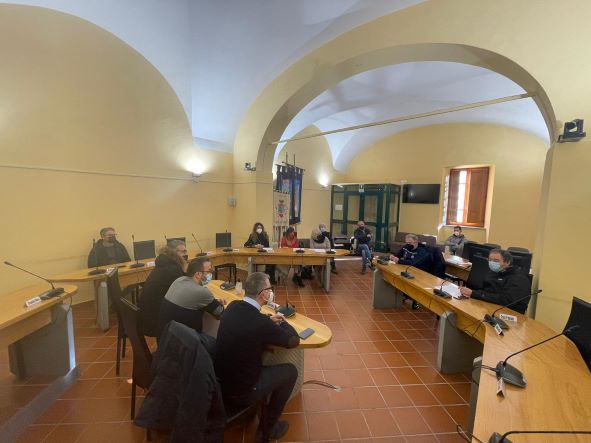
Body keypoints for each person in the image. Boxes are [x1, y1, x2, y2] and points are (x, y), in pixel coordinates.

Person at [215, 272, 299, 441]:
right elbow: (293, 340)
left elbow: (249, 320)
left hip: (220, 382)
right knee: (291, 371)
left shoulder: (233, 306)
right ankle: (269, 427)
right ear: (263, 294)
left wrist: (268, 320)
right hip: (242, 391)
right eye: (270, 289)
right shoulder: (261, 323)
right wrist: (283, 321)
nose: (271, 292)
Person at [157, 257, 226, 337]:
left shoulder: (178, 280)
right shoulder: (202, 292)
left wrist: (213, 302)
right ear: (198, 274)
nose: (211, 274)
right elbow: (219, 312)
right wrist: (219, 304)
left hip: (164, 336)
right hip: (184, 342)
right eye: (209, 271)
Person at [459, 249, 531, 314]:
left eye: (496, 261)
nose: (492, 263)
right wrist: (472, 293)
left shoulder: (519, 278)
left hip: (509, 312)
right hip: (490, 305)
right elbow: (486, 290)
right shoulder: (494, 272)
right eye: (490, 260)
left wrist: (474, 294)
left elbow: (505, 300)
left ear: (507, 262)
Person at [138, 242, 187, 337]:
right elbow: (184, 290)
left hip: (147, 315)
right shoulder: (172, 268)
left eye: (186, 251)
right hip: (154, 321)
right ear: (174, 252)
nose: (185, 254)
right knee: (192, 312)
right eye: (183, 252)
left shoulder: (164, 263)